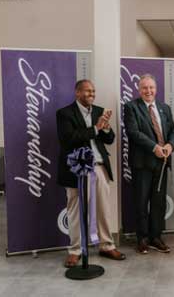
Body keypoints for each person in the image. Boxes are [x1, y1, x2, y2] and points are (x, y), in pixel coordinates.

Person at [56, 79, 125, 268]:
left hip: (99, 166)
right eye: (87, 91)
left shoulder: (99, 111)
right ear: (77, 93)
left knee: (103, 207)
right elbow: (68, 139)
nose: (92, 95)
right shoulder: (64, 113)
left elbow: (109, 139)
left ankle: (106, 245)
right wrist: (95, 128)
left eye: (93, 91)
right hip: (76, 169)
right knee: (75, 210)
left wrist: (106, 127)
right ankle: (75, 250)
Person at [123, 74, 174, 254]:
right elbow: (133, 132)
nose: (148, 91)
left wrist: (170, 145)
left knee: (158, 202)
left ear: (156, 89)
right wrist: (154, 147)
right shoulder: (131, 107)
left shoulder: (164, 108)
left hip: (161, 163)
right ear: (139, 90)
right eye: (145, 88)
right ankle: (142, 238)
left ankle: (156, 237)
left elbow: (172, 131)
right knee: (141, 202)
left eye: (151, 88)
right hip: (142, 163)